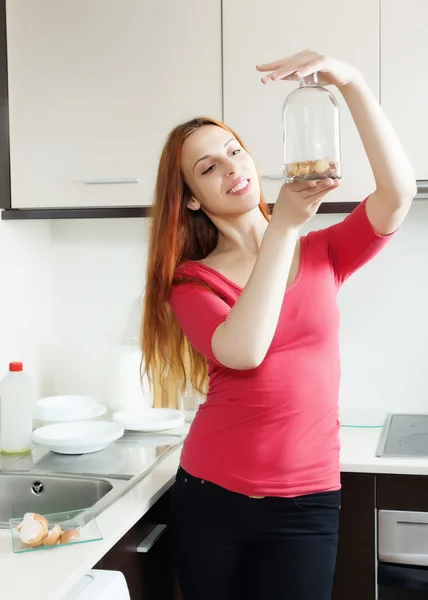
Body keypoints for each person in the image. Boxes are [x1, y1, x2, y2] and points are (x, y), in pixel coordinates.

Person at [141, 50, 416, 600]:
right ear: (193, 199)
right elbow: (243, 351)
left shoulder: (323, 251)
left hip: (308, 504)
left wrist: (352, 81)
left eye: (233, 151)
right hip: (212, 496)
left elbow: (397, 194)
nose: (231, 167)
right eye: (208, 167)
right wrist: (283, 227)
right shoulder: (191, 282)